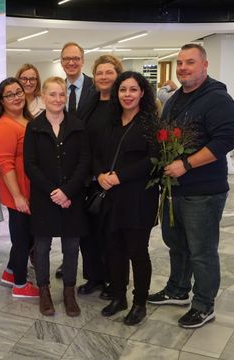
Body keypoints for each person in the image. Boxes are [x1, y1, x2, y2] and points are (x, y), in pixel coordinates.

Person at [148, 44, 234, 329]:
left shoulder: (217, 99)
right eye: (180, 63)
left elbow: (225, 141)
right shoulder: (175, 99)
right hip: (175, 187)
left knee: (201, 250)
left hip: (204, 190)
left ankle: (203, 305)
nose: (184, 68)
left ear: (204, 65)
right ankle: (177, 290)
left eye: (190, 62)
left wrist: (186, 164)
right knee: (177, 244)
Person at [93, 71, 159, 326]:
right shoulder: (109, 123)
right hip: (111, 196)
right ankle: (118, 296)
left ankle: (139, 302)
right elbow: (96, 153)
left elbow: (153, 159)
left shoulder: (151, 124)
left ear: (142, 92)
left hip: (139, 197)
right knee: (114, 249)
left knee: (137, 251)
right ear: (116, 93)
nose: (127, 95)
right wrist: (100, 175)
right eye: (123, 90)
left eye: (133, 90)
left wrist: (119, 176)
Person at [24, 76, 89, 317]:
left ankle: (69, 293)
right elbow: (30, 165)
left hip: (72, 197)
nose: (58, 99)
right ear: (43, 96)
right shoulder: (34, 126)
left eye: (61, 94)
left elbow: (84, 161)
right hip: (44, 197)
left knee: (71, 246)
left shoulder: (77, 125)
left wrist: (68, 191)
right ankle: (44, 291)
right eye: (52, 94)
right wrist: (54, 192)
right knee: (41, 247)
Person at [78, 55, 123, 300]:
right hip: (89, 179)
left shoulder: (123, 105)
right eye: (99, 73)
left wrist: (106, 173)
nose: (104, 77)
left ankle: (112, 281)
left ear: (118, 75)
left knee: (110, 236)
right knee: (89, 233)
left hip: (112, 180)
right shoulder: (91, 103)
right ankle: (93, 277)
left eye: (109, 72)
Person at [0, 77, 39, 298]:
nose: (16, 97)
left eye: (18, 92)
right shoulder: (4, 126)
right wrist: (18, 196)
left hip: (30, 190)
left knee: (27, 236)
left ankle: (11, 272)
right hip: (17, 193)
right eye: (9, 94)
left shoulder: (26, 120)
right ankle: (20, 285)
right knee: (22, 239)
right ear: (1, 100)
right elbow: (5, 164)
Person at [55, 42, 95, 278]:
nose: (71, 62)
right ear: (61, 61)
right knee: (68, 222)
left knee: (89, 225)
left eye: (75, 58)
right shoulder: (58, 88)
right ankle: (67, 263)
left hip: (91, 166)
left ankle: (93, 272)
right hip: (65, 166)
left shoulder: (94, 87)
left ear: (82, 60)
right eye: (66, 58)